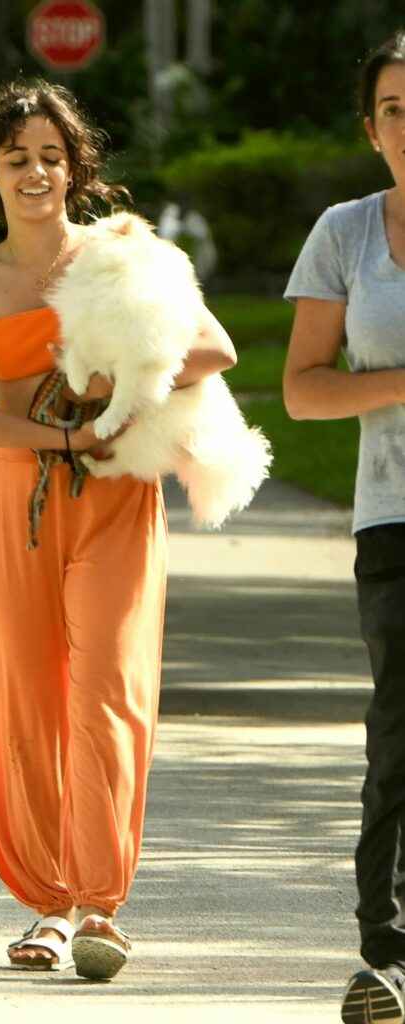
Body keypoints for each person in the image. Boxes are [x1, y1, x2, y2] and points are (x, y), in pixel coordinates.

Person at [0, 78, 236, 979]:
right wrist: (60, 435)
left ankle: (100, 903)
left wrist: (110, 375)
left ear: (76, 168)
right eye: (15, 158)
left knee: (105, 688)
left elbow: (214, 347)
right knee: (26, 697)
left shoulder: (120, 256)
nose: (35, 173)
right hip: (16, 504)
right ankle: (49, 903)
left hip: (115, 500)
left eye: (51, 157)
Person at [283, 30, 405, 1024]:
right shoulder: (344, 233)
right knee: (398, 734)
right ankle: (384, 955)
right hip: (392, 517)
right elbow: (301, 389)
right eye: (393, 110)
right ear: (370, 130)